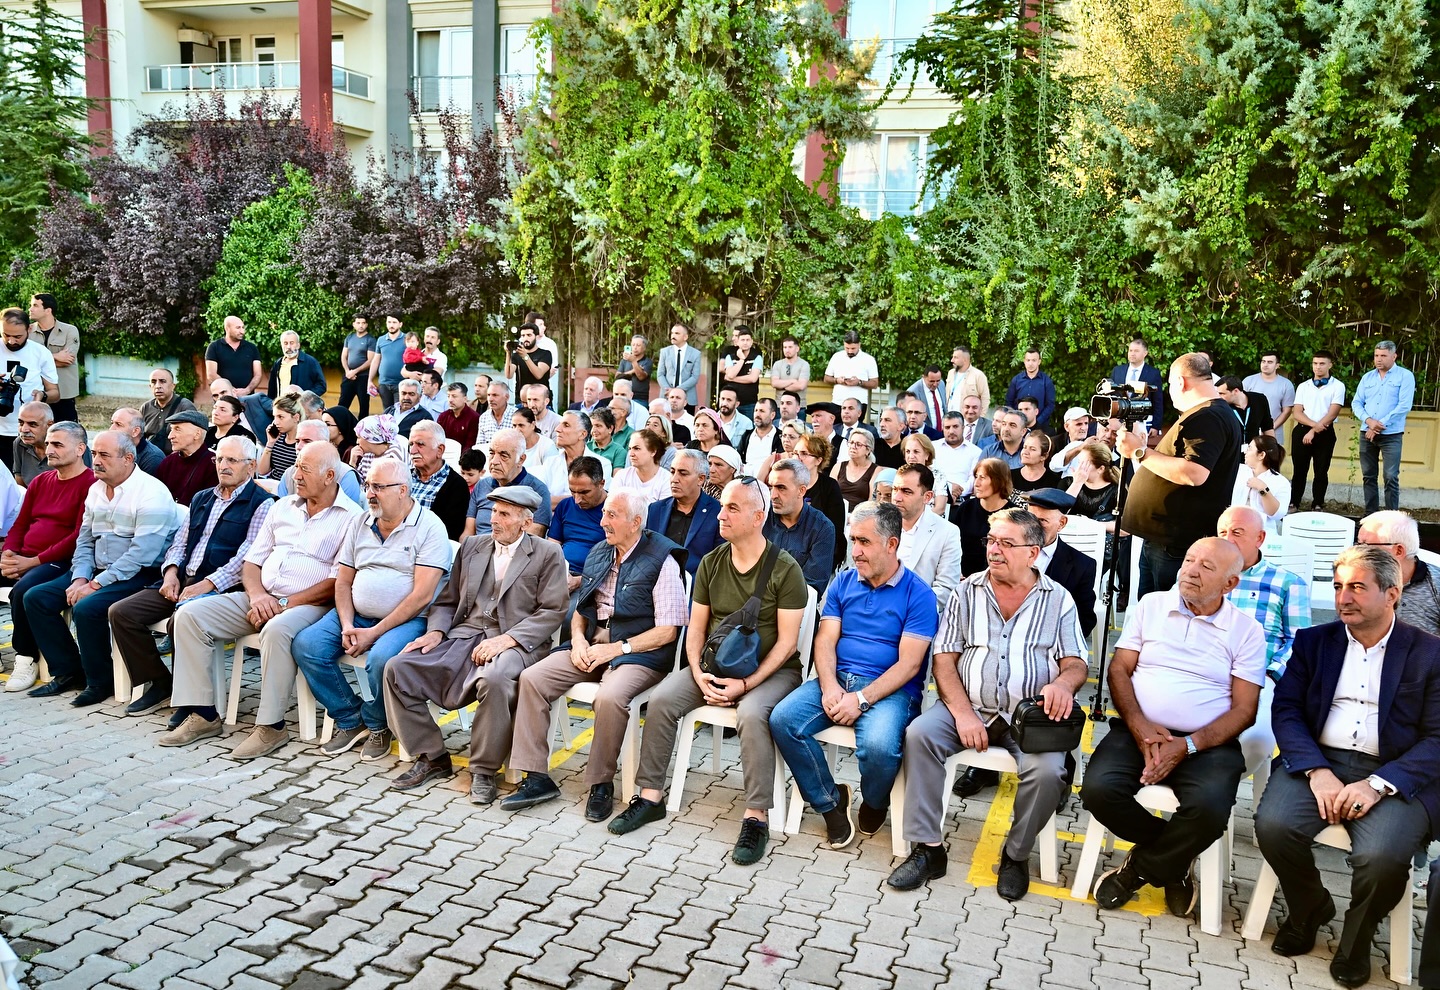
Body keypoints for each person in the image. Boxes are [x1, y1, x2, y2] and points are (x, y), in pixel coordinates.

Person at [1256, 544, 1440, 989]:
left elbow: (1437, 737)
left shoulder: (1429, 653)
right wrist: (1316, 771)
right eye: (1338, 587)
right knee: (1274, 825)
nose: (1344, 598)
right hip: (1320, 760)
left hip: (1396, 771)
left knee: (1381, 858)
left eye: (1358, 587)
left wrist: (1377, 785)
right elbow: (1287, 711)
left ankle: (1356, 944)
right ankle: (1309, 907)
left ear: (1392, 594)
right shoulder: (1314, 642)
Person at [608, 477, 808, 865]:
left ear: (758, 516)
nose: (721, 514)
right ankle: (649, 796)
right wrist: (698, 674)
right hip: (714, 665)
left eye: (733, 508)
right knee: (664, 699)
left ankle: (756, 817)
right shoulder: (713, 563)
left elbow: (787, 644)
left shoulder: (786, 569)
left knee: (751, 714)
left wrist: (746, 684)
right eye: (722, 506)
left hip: (773, 670)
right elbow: (695, 628)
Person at [888, 508, 1088, 898]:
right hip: (969, 705)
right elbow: (944, 658)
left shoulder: (1058, 599)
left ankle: (1015, 854)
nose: (994, 551)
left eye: (1006, 544)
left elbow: (1076, 661)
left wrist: (1064, 684)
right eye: (991, 541)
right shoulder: (968, 591)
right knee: (919, 736)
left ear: (1034, 552)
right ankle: (928, 849)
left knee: (1049, 772)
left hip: (1027, 717)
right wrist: (962, 714)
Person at [1079, 538, 1265, 917]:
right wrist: (1139, 725)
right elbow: (1119, 669)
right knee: (1098, 790)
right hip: (1138, 732)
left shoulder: (1247, 631)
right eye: (1189, 559)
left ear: (1230, 585)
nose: (1191, 570)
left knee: (1210, 810)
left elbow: (1245, 710)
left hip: (1208, 744)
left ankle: (1138, 871)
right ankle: (1175, 861)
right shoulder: (1151, 605)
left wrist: (1189, 745)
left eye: (1206, 567)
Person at [160, 442, 362, 756]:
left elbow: (338, 580)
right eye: (296, 466)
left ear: (330, 475)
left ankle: (271, 727)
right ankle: (203, 714)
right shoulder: (283, 506)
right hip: (261, 596)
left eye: (304, 469)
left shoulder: (352, 518)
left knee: (277, 630)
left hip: (309, 605)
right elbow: (251, 563)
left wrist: (283, 605)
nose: (296, 474)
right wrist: (258, 597)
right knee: (190, 615)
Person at [505, 491, 689, 819]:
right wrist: (577, 640)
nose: (603, 522)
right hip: (592, 645)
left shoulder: (663, 559)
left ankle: (600, 782)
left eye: (612, 516)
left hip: (639, 653)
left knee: (609, 697)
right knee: (532, 678)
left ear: (636, 523)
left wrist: (616, 649)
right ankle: (536, 777)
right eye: (604, 514)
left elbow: (667, 632)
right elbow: (582, 607)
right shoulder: (600, 551)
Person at [384, 486, 569, 802]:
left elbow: (553, 611)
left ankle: (483, 770)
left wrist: (508, 640)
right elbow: (446, 600)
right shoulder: (471, 546)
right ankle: (432, 756)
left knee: (494, 678)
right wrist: (436, 633)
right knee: (398, 668)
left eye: (504, 514)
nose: (494, 520)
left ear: (526, 522)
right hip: (464, 637)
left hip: (517, 644)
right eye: (494, 511)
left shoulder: (547, 553)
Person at [773, 500, 936, 847]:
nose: (855, 551)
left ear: (891, 544)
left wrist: (860, 699)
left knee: (878, 747)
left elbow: (909, 665)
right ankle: (831, 803)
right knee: (783, 719)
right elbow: (825, 640)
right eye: (853, 541)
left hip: (891, 692)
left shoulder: (919, 594)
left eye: (864, 542)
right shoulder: (843, 583)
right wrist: (830, 687)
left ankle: (876, 802)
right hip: (838, 678)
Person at [290, 457, 451, 758]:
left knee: (381, 658)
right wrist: (349, 624)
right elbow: (342, 581)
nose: (370, 493)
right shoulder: (360, 522)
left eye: (378, 487)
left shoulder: (430, 526)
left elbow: (422, 596)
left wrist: (374, 632)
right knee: (306, 645)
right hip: (357, 615)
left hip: (409, 620)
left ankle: (379, 726)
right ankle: (351, 719)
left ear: (403, 490)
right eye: (367, 486)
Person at [108, 435, 276, 716]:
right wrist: (171, 573)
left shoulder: (262, 504)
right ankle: (162, 683)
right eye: (219, 459)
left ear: (251, 466)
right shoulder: (202, 497)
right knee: (121, 613)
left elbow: (248, 559)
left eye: (232, 460)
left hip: (222, 588)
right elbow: (180, 543)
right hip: (183, 581)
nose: (223, 465)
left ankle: (192, 700)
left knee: (181, 620)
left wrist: (207, 584)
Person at [24, 430, 183, 705]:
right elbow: (84, 541)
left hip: (139, 574)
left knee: (87, 608)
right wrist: (79, 578)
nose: (95, 461)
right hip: (98, 570)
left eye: (104, 455)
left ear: (128, 458)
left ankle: (100, 682)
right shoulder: (96, 490)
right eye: (95, 454)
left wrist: (95, 584)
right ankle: (69, 672)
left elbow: (140, 555)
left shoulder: (151, 492)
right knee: (36, 598)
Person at [1118, 353, 1244, 598]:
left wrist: (1139, 452)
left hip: (1175, 541)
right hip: (1166, 538)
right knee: (1152, 612)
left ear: (1180, 382)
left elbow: (1194, 473)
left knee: (1167, 616)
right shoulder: (1210, 413)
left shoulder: (1208, 416)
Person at [1216, 505, 1312, 777]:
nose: (1227, 540)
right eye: (1222, 532)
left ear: (1259, 539)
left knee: (1256, 741)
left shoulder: (1288, 583)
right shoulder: (1201, 575)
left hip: (1259, 678)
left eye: (1237, 532)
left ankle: (1220, 781)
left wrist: (1270, 677)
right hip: (1205, 672)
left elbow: (1299, 642)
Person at [1, 422, 95, 694]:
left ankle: (25, 657)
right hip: (24, 556)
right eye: (49, 443)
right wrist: (9, 554)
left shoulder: (90, 484)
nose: (49, 450)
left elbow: (78, 536)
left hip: (58, 561)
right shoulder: (42, 480)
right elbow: (20, 523)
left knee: (24, 591)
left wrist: (31, 562)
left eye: (57, 445)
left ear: (80, 449)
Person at [1353, 339, 1415, 514]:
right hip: (1366, 433)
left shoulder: (1405, 376)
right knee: (1368, 476)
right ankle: (1370, 515)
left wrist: (1377, 426)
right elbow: (1357, 403)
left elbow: (1404, 406)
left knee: (1390, 477)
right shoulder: (1367, 377)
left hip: (1391, 435)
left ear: (1394, 356)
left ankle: (1391, 517)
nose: (1379, 359)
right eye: (1376, 355)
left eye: (1383, 356)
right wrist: (1368, 421)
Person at [890, 464, 962, 609]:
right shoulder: (879, 525)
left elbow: (946, 589)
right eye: (895, 489)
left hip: (919, 616)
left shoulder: (947, 532)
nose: (897, 498)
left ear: (927, 497)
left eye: (906, 491)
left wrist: (907, 609)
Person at [763, 458, 836, 597]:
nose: (773, 495)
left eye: (781, 487)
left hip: (796, 609)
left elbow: (812, 585)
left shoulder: (822, 528)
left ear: (801, 491)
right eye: (771, 486)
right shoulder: (761, 517)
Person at [1358, 510, 1440, 633]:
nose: (1359, 553)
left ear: (1399, 551)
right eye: (1358, 544)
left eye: (1366, 546)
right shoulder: (1356, 582)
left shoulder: (1436, 585)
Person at [646, 448, 721, 576]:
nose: (674, 479)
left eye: (683, 473)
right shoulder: (656, 510)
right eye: (672, 471)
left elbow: (718, 563)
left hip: (698, 588)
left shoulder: (717, 512)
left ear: (701, 479)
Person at [464, 429, 552, 539]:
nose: (494, 461)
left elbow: (532, 539)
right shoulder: (481, 485)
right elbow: (468, 533)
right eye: (492, 453)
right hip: (478, 550)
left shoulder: (537, 490)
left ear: (521, 459)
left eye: (503, 456)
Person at [1288, 349, 1347, 512]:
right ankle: (1294, 502)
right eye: (1315, 363)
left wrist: (1314, 430)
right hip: (1302, 430)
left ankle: (1318, 503)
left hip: (1325, 431)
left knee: (1321, 470)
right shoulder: (1303, 386)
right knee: (1299, 470)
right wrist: (1313, 427)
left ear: (1330, 365)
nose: (1318, 367)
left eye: (1322, 364)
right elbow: (1297, 412)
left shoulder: (1338, 386)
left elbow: (1333, 412)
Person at [0, 308, 58, 471]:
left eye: (17, 336)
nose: (11, 341)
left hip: (29, 436)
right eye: (6, 335)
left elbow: (55, 393)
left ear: (29, 329)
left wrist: (42, 397)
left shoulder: (41, 353)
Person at [950, 458, 1018, 576]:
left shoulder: (1015, 515)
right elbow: (951, 544)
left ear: (999, 481)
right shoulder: (966, 508)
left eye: (982, 478)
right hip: (961, 577)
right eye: (976, 477)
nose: (976, 483)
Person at [403, 421, 469, 540]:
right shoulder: (403, 476)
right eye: (411, 444)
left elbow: (449, 533)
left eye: (420, 444)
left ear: (440, 450)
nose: (412, 451)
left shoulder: (456, 486)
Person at [550, 456, 609, 589]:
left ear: (601, 484)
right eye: (572, 491)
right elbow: (552, 547)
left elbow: (618, 562)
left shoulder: (613, 511)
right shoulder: (565, 506)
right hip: (559, 574)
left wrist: (578, 581)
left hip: (594, 581)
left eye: (584, 492)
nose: (577, 499)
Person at [537, 411, 613, 509]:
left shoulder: (603, 464)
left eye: (566, 425)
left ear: (582, 434)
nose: (557, 429)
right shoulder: (550, 463)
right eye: (559, 424)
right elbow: (540, 501)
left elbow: (597, 502)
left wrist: (553, 502)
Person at [792, 434, 846, 570]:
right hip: (791, 547)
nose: (798, 458)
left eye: (804, 453)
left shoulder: (829, 487)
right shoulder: (787, 483)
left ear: (818, 460)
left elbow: (835, 528)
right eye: (795, 453)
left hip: (821, 549)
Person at [27, 293, 80, 423]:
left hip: (64, 393)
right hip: (36, 392)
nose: (30, 309)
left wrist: (38, 362)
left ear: (48, 310)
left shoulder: (69, 330)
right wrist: (56, 357)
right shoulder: (27, 331)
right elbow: (27, 361)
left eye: (35, 305)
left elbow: (68, 360)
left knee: (67, 431)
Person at [155, 410, 219, 507]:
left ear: (197, 434)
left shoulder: (214, 465)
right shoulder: (168, 462)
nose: (170, 436)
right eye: (171, 429)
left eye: (177, 429)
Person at [1231, 436, 1291, 531]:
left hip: (1262, 532)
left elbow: (1277, 514)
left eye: (1250, 448)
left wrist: (1263, 489)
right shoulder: (1238, 470)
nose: (1245, 452)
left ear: (1261, 455)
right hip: (1233, 527)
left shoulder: (1280, 482)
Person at [1109, 336, 1165, 434]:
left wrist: (1156, 426)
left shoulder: (1153, 373)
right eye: (1130, 350)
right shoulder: (1117, 371)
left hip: (1141, 423)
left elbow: (1158, 401)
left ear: (1145, 353)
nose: (1132, 354)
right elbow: (1111, 396)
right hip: (1118, 421)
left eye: (1136, 351)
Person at [140, 368, 197, 456]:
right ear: (150, 386)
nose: (158, 386)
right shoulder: (146, 407)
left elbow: (191, 439)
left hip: (175, 459)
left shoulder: (185, 406)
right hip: (148, 457)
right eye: (154, 382)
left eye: (162, 381)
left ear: (173, 386)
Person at [204, 315, 263, 397]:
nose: (242, 331)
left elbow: (258, 374)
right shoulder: (214, 347)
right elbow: (211, 374)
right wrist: (230, 390)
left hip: (248, 398)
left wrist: (247, 390)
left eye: (243, 327)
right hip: (224, 398)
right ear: (227, 328)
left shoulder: (252, 348)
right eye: (238, 328)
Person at [824, 331, 879, 415]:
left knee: (857, 428)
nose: (850, 351)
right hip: (838, 402)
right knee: (836, 428)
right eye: (847, 348)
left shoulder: (869, 359)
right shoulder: (836, 357)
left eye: (853, 348)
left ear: (859, 345)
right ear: (844, 344)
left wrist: (859, 382)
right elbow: (826, 378)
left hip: (859, 404)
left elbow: (874, 383)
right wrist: (837, 380)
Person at [610, 429, 671, 506]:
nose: (631, 454)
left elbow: (663, 513)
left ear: (653, 451)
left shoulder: (666, 479)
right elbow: (612, 505)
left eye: (636, 448)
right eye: (629, 449)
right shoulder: (622, 475)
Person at [932, 411, 981, 504]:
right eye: (947, 427)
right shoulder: (933, 447)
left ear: (963, 427)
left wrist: (957, 492)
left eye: (955, 426)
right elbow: (929, 473)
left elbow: (973, 479)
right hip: (934, 498)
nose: (951, 431)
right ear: (942, 428)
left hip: (963, 500)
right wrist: (949, 488)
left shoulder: (975, 451)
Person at [1065, 442, 1121, 523]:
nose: (1079, 467)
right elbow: (1059, 513)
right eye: (1079, 462)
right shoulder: (1067, 482)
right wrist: (1076, 483)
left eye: (1085, 464)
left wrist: (1092, 524)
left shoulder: (1117, 491)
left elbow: (1124, 529)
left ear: (1101, 469)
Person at [1243, 351, 1297, 432]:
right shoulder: (1248, 381)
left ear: (1277, 365)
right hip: (1250, 431)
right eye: (1263, 361)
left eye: (1270, 362)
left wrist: (1270, 428)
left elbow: (1286, 411)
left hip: (1275, 432)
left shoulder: (1286, 384)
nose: (1265, 364)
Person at [1004, 349, 1057, 430]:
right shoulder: (1016, 380)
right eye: (1028, 360)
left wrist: (1038, 421)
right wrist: (1015, 419)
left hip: (1039, 426)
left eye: (1034, 360)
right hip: (1018, 425)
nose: (1030, 363)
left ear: (1039, 361)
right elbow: (1009, 402)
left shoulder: (1046, 381)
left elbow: (1050, 405)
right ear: (1024, 361)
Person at [266, 331, 326, 399]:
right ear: (281, 345)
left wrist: (304, 398)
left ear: (298, 345)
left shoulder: (310, 362)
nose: (288, 346)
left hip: (302, 408)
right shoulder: (278, 364)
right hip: (281, 407)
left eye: (292, 343)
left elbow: (321, 386)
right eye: (285, 343)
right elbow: (272, 390)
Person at [718, 326, 763, 418]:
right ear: (737, 342)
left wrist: (733, 379)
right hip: (732, 403)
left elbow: (753, 378)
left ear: (751, 342)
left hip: (749, 403)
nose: (745, 342)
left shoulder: (757, 357)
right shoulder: (730, 356)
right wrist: (742, 360)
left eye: (747, 340)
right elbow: (730, 374)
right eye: (742, 340)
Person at [351, 414, 408, 484]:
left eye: (359, 437)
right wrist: (352, 463)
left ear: (370, 437)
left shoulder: (394, 453)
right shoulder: (367, 455)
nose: (357, 442)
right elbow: (357, 484)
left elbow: (388, 485)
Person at [257, 393, 302, 483]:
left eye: (280, 417)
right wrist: (270, 443)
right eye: (274, 417)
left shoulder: (303, 443)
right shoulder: (278, 438)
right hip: (272, 485)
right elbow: (262, 471)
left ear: (296, 417)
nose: (276, 422)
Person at [1217, 375, 1276, 443]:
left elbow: (1267, 426)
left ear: (1236, 391)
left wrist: (1273, 448)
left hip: (1253, 450)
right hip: (1232, 451)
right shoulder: (1221, 408)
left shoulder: (1259, 400)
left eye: (1222, 394)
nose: (1219, 397)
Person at [336, 314, 375, 418]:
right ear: (354, 324)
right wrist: (348, 371)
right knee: (342, 404)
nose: (361, 325)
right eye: (358, 323)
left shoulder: (370, 339)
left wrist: (355, 371)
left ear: (366, 325)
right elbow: (344, 356)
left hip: (363, 377)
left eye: (363, 323)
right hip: (348, 376)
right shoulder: (349, 338)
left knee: (364, 406)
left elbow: (370, 360)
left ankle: (362, 432)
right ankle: (339, 426)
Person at [656, 323, 703, 408]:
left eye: (677, 333)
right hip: (667, 396)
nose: (673, 336)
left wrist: (678, 390)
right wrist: (668, 390)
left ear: (685, 337)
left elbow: (695, 377)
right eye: (672, 333)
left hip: (687, 398)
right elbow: (660, 374)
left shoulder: (695, 354)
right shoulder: (664, 352)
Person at [505, 323, 554, 401]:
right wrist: (508, 353)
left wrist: (525, 356)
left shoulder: (545, 354)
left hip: (541, 400)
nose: (525, 338)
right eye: (523, 336)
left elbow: (539, 374)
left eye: (529, 335)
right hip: (521, 400)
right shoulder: (517, 355)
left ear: (536, 337)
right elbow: (508, 375)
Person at [832, 427, 877, 510]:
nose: (853, 446)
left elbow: (872, 502)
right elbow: (829, 495)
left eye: (858, 444)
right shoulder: (838, 467)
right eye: (851, 442)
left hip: (861, 516)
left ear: (868, 450)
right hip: (837, 513)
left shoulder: (875, 470)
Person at [369, 313, 407, 410]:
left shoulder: (407, 339)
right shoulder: (381, 340)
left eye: (394, 322)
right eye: (389, 322)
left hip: (401, 383)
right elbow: (375, 361)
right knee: (387, 412)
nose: (391, 325)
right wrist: (369, 380)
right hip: (384, 384)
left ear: (400, 324)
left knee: (400, 411)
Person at [111, 407, 164, 475]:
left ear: (135, 431)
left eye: (118, 424)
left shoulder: (153, 458)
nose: (111, 429)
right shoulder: (111, 447)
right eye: (112, 423)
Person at [740, 397, 783, 479]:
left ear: (772, 415)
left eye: (762, 411)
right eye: (756, 410)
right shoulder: (746, 436)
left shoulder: (781, 437)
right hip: (745, 482)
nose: (757, 414)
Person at [12, 401, 53, 485]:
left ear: (49, 425)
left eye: (32, 424)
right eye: (21, 423)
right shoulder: (20, 443)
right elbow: (20, 485)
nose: (24, 429)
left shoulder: (69, 445)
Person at [945, 345, 991, 415]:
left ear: (965, 360)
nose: (952, 360)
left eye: (955, 358)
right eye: (952, 357)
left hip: (967, 419)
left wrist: (980, 419)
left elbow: (985, 399)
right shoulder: (951, 373)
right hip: (950, 416)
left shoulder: (978, 375)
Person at [1049, 407, 1092, 480]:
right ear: (1066, 427)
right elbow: (1052, 468)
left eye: (1086, 423)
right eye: (1079, 424)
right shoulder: (1055, 442)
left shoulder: (1092, 443)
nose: (1084, 428)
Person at [1012, 431, 1060, 495]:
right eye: (1024, 447)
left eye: (1032, 449)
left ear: (1044, 456)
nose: (1025, 452)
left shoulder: (1055, 482)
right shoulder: (1009, 476)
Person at [978, 407, 1026, 471]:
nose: (1006, 429)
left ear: (1023, 431)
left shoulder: (1029, 452)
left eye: (1012, 425)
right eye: (1004, 424)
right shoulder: (989, 451)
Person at [475, 380, 516, 453]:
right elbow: (479, 446)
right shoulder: (484, 417)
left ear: (506, 397)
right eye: (488, 395)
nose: (490, 399)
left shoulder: (516, 415)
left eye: (495, 395)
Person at [437, 383, 479, 452]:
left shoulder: (474, 418)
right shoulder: (443, 416)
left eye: (454, 396)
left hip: (464, 457)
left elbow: (470, 444)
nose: (450, 400)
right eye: (448, 396)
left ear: (465, 399)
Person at [769, 336, 810, 407]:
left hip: (798, 407)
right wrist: (792, 381)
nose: (787, 350)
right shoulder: (777, 364)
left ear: (797, 349)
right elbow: (774, 383)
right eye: (785, 347)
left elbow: (801, 386)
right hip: (780, 406)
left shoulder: (804, 364)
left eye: (790, 347)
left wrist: (782, 386)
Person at [907, 365, 949, 433]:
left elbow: (943, 408)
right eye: (932, 381)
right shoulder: (913, 391)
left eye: (938, 380)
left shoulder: (941, 384)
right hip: (925, 435)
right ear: (923, 377)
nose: (935, 384)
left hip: (942, 432)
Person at [586, 407, 629, 472]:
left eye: (598, 426)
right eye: (591, 426)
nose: (593, 430)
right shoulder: (585, 447)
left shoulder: (619, 451)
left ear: (610, 429)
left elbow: (616, 477)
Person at [614, 334, 653, 404]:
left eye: (638, 345)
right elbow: (617, 377)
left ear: (644, 348)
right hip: (623, 396)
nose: (635, 347)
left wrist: (633, 361)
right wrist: (632, 371)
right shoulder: (624, 360)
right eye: (633, 345)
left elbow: (641, 377)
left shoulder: (647, 361)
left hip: (639, 398)